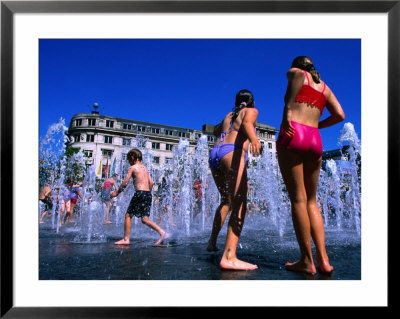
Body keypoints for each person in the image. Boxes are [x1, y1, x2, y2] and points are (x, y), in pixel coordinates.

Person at [277, 56, 345, 275]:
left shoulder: (298, 73)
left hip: (293, 133)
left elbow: (295, 74)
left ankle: (306, 261)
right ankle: (324, 260)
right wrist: (317, 126)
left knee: (298, 199)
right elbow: (340, 115)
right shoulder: (324, 87)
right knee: (311, 202)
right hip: (314, 138)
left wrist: (288, 110)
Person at [207, 89, 262, 270]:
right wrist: (254, 139)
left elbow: (216, 131)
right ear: (252, 103)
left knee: (226, 201)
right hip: (232, 152)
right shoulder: (251, 111)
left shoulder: (228, 115)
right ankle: (229, 256)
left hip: (216, 153)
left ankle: (212, 242)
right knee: (239, 203)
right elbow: (247, 123)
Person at [111, 148, 168, 245]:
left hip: (140, 193)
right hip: (147, 194)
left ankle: (126, 239)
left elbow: (125, 183)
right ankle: (162, 233)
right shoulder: (145, 168)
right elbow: (151, 183)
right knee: (144, 219)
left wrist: (117, 193)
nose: (129, 163)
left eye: (129, 160)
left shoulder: (133, 167)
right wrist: (147, 193)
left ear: (132, 158)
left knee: (128, 215)